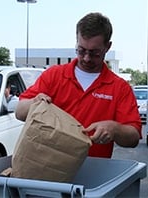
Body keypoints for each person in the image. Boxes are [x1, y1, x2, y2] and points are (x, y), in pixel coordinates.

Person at [16, 12, 141, 158]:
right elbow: (20, 112)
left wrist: (114, 129)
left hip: (93, 172)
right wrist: (34, 103)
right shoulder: (54, 75)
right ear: (76, 41)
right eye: (81, 51)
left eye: (95, 53)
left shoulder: (120, 87)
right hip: (48, 166)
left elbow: (133, 137)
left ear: (107, 47)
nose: (87, 58)